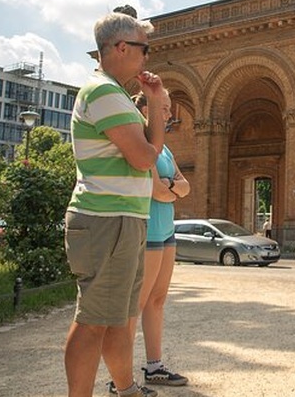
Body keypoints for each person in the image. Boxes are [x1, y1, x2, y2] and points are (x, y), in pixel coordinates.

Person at [63, 12, 166, 397]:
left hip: (124, 219)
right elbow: (144, 157)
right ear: (121, 47)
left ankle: (126, 390)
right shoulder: (103, 91)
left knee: (119, 320)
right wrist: (149, 145)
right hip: (105, 219)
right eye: (144, 48)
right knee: (93, 320)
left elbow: (152, 149)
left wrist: (154, 102)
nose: (147, 58)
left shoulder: (117, 93)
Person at [104, 89, 190, 394]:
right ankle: (120, 378)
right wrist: (172, 188)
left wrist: (173, 187)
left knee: (158, 300)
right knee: (135, 306)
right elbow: (157, 191)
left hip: (167, 232)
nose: (169, 114)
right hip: (149, 230)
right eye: (163, 108)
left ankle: (154, 368)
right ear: (143, 109)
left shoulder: (163, 149)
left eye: (168, 109)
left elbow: (186, 184)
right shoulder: (142, 145)